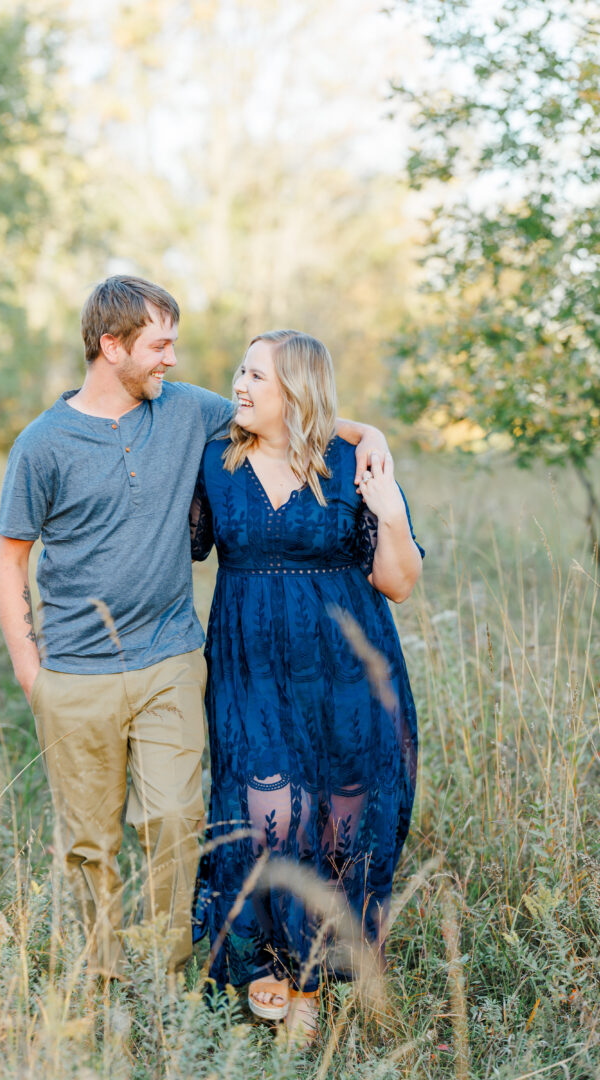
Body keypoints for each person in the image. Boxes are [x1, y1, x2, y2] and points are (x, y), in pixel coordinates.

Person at [0, 277, 390, 979]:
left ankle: (170, 974)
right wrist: (30, 668)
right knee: (90, 842)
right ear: (111, 347)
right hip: (74, 674)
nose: (172, 358)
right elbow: (9, 555)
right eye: (159, 344)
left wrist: (369, 433)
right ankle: (106, 977)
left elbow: (289, 411)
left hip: (171, 658)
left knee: (174, 823)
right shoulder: (42, 445)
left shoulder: (186, 411)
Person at [190, 329, 424, 1041]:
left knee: (340, 813)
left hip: (346, 664)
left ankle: (314, 974)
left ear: (295, 389)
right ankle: (262, 960)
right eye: (240, 371)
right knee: (263, 805)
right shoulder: (214, 461)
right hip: (250, 664)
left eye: (257, 376)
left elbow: (400, 582)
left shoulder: (357, 461)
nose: (240, 384)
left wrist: (390, 511)